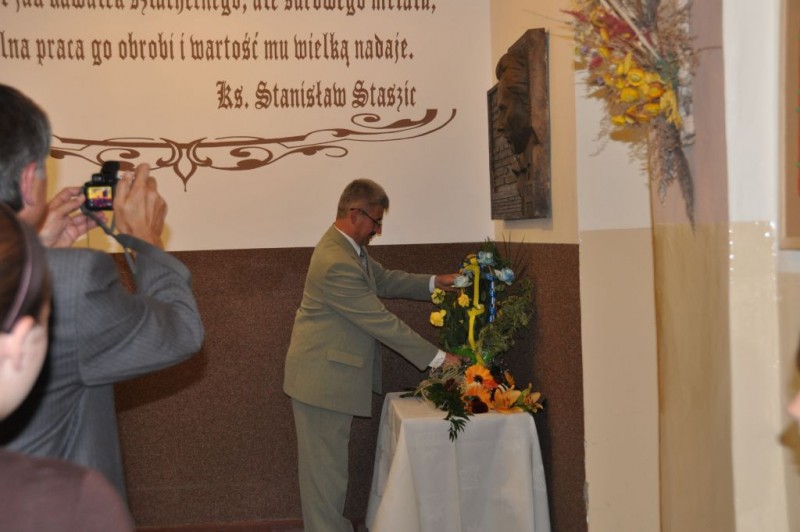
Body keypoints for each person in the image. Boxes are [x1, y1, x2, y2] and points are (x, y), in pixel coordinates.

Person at [0, 83, 205, 500]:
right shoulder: (71, 282)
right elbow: (181, 331)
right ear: (29, 181)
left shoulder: (46, 273)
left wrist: (36, 251)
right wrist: (145, 241)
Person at [283, 178, 463, 532]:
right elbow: (380, 322)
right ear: (355, 214)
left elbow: (386, 280)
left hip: (327, 378)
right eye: (376, 221)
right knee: (325, 482)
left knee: (329, 477)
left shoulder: (348, 249)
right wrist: (439, 359)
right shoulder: (336, 260)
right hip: (321, 383)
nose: (378, 230)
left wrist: (434, 282)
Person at [0, 202, 134, 531]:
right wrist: (145, 240)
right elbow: (178, 333)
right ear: (18, 343)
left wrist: (32, 259)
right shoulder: (72, 500)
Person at [495, 51, 540, 215]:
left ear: (527, 104)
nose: (499, 126)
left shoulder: (540, 156)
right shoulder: (523, 162)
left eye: (504, 109)